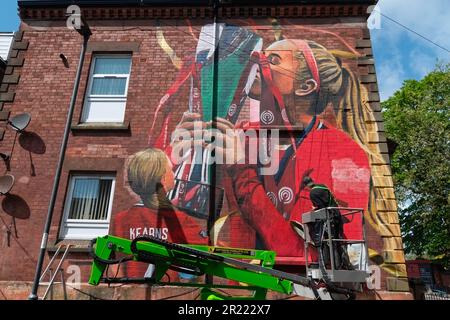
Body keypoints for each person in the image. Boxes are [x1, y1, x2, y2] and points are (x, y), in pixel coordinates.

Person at [111, 148, 209, 280]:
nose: (174, 173)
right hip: (167, 293)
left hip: (131, 292)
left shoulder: (120, 220)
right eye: (170, 169)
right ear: (163, 179)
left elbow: (114, 263)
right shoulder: (179, 220)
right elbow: (206, 254)